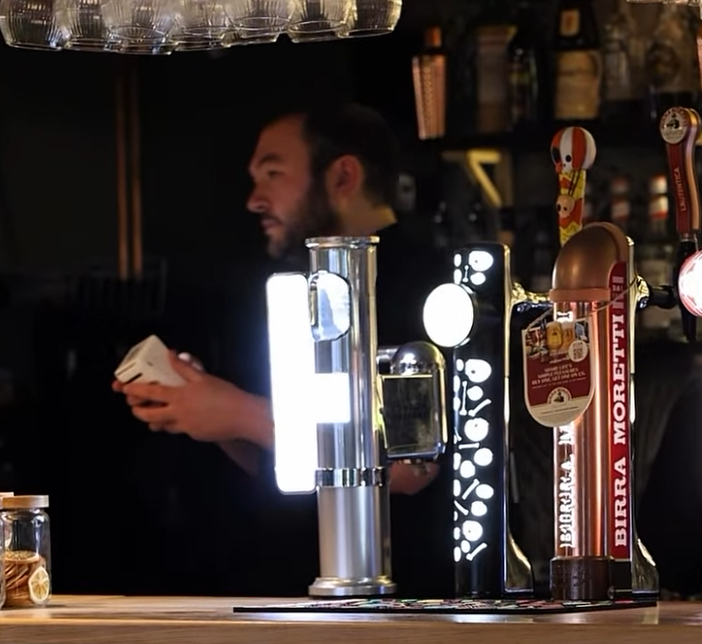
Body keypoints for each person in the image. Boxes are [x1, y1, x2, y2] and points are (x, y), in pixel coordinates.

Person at [113, 102, 453, 596]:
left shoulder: (427, 287)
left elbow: (409, 471)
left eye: (273, 174)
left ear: (343, 176)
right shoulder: (296, 288)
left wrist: (235, 410)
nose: (254, 199)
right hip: (282, 596)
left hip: (400, 605)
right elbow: (280, 459)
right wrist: (201, 407)